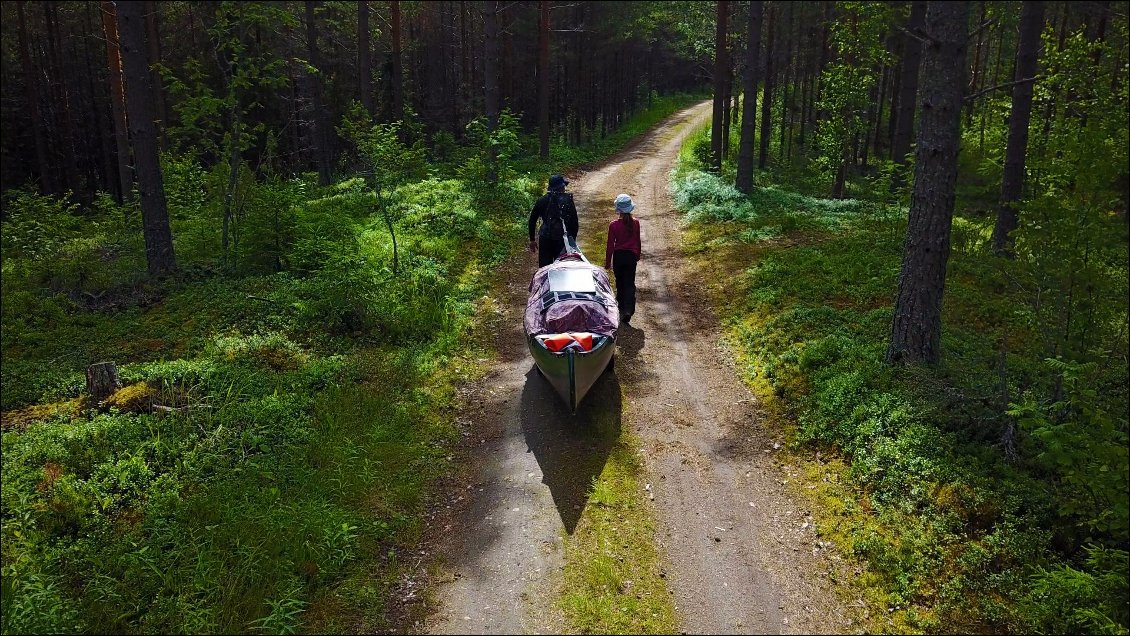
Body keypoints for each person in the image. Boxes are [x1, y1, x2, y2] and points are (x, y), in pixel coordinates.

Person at [604, 193, 641, 324]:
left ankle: (621, 307)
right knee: (629, 283)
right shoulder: (636, 223)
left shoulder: (613, 225)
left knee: (620, 282)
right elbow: (637, 241)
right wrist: (638, 254)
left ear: (618, 209)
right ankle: (628, 310)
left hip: (619, 257)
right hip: (631, 257)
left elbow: (610, 245)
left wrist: (608, 262)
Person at [528, 174, 579, 267]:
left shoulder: (542, 200)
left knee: (544, 268)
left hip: (545, 237)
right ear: (562, 187)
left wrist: (532, 239)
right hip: (562, 239)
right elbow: (574, 222)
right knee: (561, 269)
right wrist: (572, 241)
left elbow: (532, 220)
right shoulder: (567, 200)